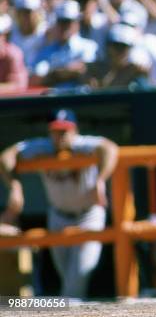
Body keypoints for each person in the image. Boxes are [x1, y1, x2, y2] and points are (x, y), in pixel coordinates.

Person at [0, 109, 119, 298]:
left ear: (74, 130)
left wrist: (101, 179)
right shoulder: (44, 146)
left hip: (88, 216)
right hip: (59, 216)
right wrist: (14, 185)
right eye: (56, 131)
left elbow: (110, 148)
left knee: (79, 275)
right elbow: (7, 156)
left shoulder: (83, 144)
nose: (60, 136)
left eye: (65, 131)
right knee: (67, 278)